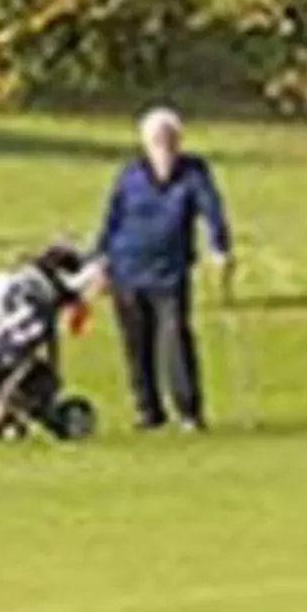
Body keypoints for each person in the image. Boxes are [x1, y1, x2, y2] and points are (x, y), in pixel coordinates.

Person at [93, 108, 232, 431]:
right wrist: (99, 260)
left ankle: (188, 411)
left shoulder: (193, 172)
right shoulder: (129, 175)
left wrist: (220, 247)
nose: (163, 146)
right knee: (136, 343)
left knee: (175, 340)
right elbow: (112, 220)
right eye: (156, 140)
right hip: (126, 269)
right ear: (145, 143)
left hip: (170, 272)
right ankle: (148, 411)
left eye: (169, 140)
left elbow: (211, 208)